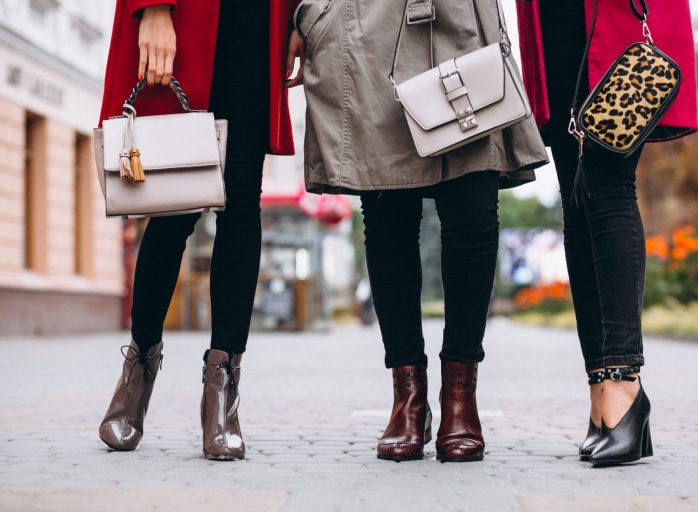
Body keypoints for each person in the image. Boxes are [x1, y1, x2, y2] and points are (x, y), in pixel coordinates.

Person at [293, 0, 549, 462]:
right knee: (387, 213)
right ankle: (408, 398)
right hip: (360, 23)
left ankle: (459, 397)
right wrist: (305, 15)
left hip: (457, 17)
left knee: (472, 209)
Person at [97, 0, 301, 460]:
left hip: (259, 22)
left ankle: (222, 388)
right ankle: (139, 369)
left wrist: (301, 19)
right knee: (173, 206)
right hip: (188, 15)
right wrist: (152, 8)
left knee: (242, 201)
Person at [516, 0, 698, 465]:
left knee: (607, 181)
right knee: (577, 201)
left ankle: (624, 383)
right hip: (550, 16)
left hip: (612, 13)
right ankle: (602, 391)